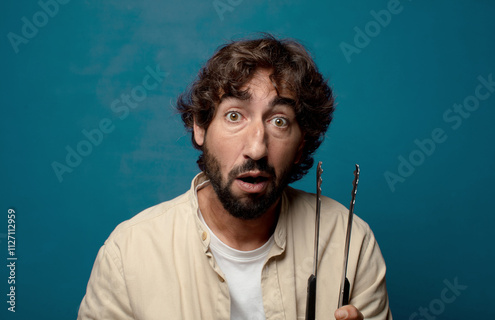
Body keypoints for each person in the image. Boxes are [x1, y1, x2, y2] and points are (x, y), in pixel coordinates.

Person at [78, 34, 392, 320]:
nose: (256, 148)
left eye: (279, 121)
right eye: (234, 115)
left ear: (301, 145)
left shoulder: (351, 243)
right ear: (200, 126)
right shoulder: (129, 253)